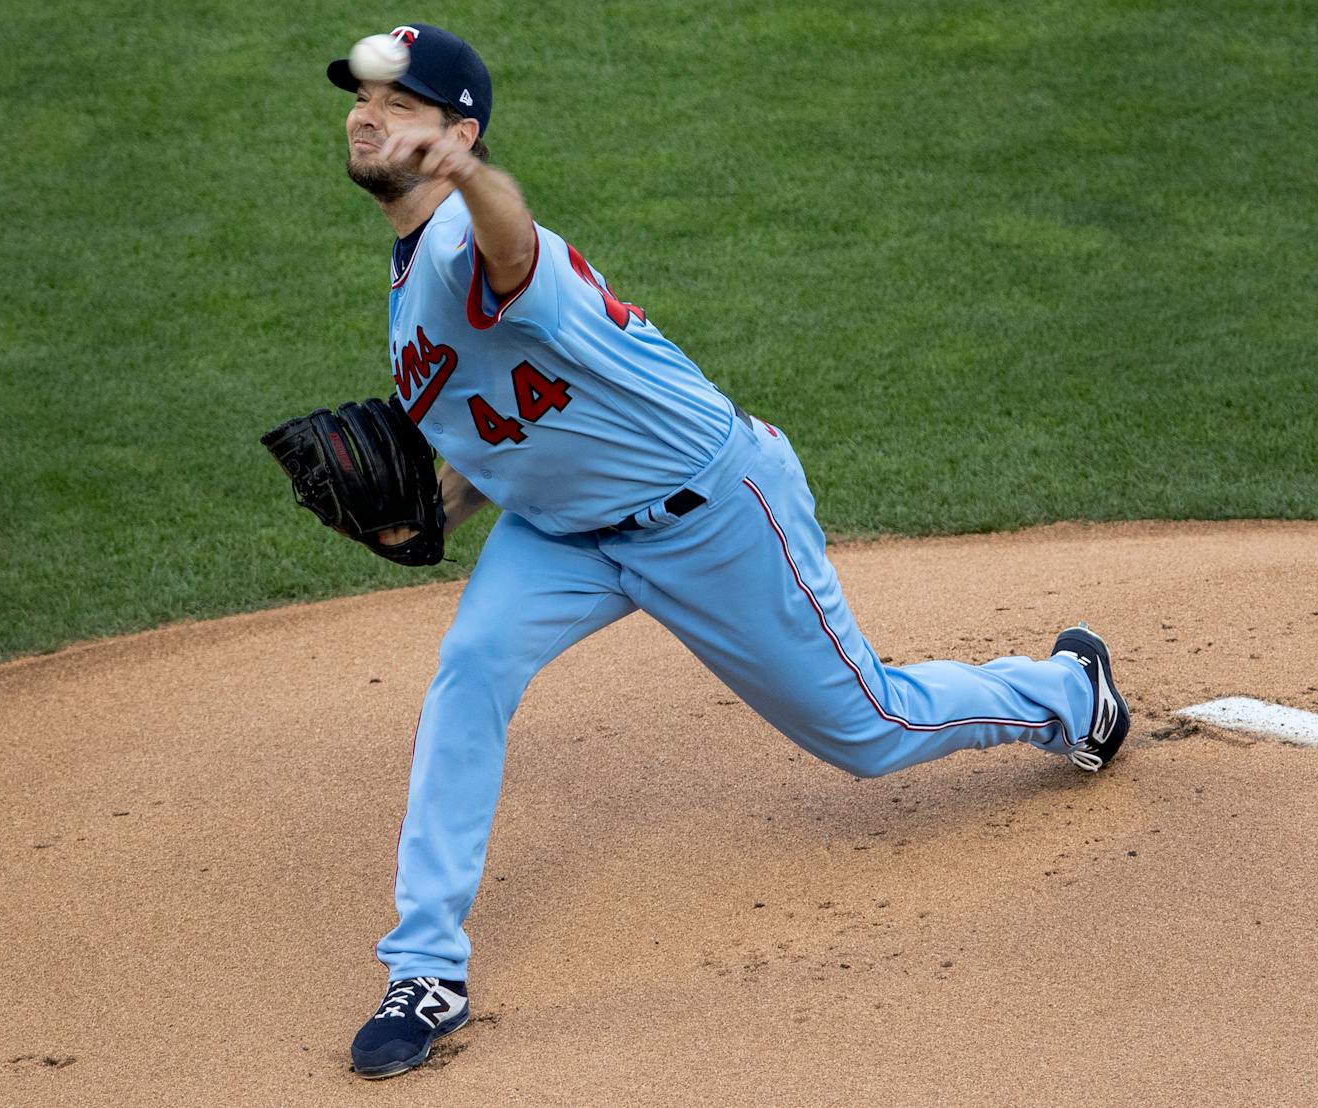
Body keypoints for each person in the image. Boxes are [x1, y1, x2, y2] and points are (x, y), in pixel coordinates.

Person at [327, 24, 1130, 1079]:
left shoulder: (470, 241)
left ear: (459, 133)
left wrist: (474, 179)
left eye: (400, 103)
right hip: (561, 534)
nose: (366, 114)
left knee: (865, 728)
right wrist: (424, 517)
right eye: (361, 99)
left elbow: (512, 243)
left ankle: (1072, 693)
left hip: (710, 510)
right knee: (470, 668)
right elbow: (498, 433)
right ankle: (425, 966)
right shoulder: (407, 284)